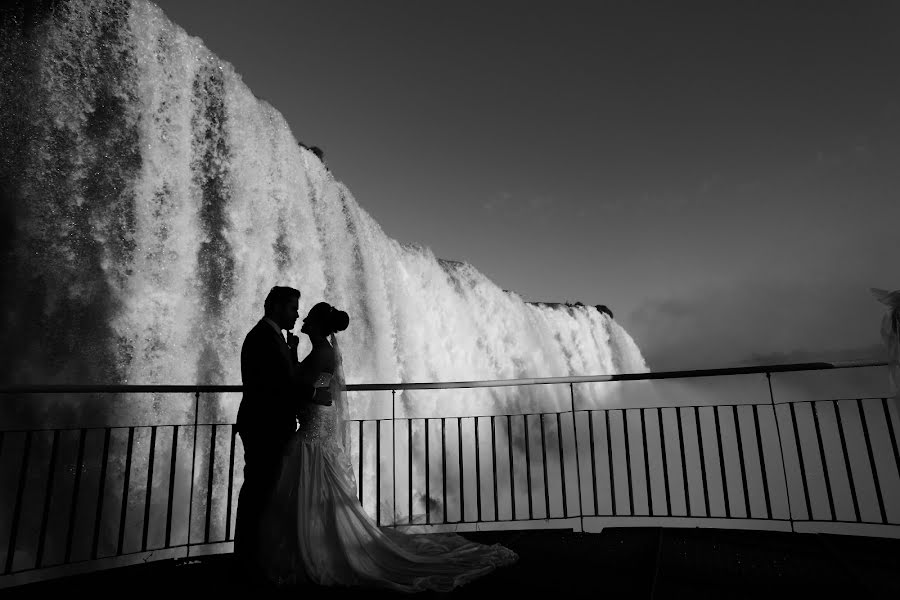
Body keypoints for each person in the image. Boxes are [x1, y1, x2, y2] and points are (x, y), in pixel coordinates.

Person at [258, 302, 518, 592]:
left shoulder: (322, 352)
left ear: (318, 324)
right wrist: (295, 357)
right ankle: (317, 543)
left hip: (315, 427)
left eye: (308, 316)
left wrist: (292, 361)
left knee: (318, 483)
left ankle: (318, 548)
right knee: (320, 485)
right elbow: (307, 384)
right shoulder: (320, 351)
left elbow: (299, 384)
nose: (302, 318)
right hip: (315, 424)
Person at [234, 286, 326, 582]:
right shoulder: (263, 338)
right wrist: (314, 392)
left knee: (262, 493)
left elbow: (293, 377)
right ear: (275, 308)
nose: (297, 314)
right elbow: (283, 383)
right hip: (265, 428)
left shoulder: (272, 338)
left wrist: (293, 353)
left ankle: (255, 559)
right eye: (292, 308)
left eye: (300, 310)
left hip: (271, 426)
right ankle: (249, 562)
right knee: (258, 494)